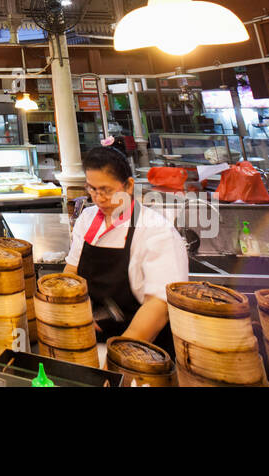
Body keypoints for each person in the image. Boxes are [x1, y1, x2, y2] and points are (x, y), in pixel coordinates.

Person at [63, 144, 188, 353]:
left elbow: (158, 306)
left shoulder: (156, 230)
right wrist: (73, 309)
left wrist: (120, 355)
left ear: (129, 186)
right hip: (90, 341)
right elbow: (72, 271)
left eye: (107, 190)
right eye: (92, 189)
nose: (98, 198)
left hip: (144, 349)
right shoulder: (87, 219)